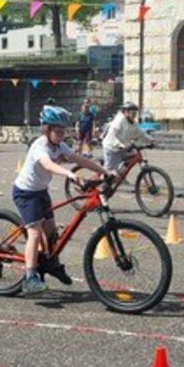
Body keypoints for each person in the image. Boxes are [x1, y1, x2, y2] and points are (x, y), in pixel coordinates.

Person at [12, 106, 109, 294]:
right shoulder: (39, 146)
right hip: (25, 193)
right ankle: (30, 277)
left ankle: (51, 265)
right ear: (46, 130)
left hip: (41, 192)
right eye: (57, 131)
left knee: (51, 233)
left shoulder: (60, 146)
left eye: (63, 131)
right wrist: (70, 175)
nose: (61, 135)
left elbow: (79, 159)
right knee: (34, 233)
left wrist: (104, 171)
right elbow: (48, 164)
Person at [101, 101, 153, 175]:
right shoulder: (119, 120)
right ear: (126, 112)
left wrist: (151, 140)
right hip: (112, 148)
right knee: (108, 174)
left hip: (124, 148)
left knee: (134, 156)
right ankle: (101, 184)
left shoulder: (133, 122)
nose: (134, 115)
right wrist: (121, 145)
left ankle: (120, 172)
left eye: (135, 113)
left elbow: (141, 133)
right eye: (132, 113)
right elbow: (113, 135)